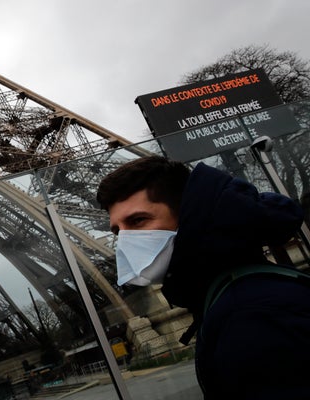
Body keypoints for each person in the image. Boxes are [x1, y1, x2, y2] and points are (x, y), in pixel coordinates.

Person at [96, 155, 310, 399]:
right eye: (117, 231)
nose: (126, 241)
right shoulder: (239, 292)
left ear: (187, 212)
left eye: (138, 220)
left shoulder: (250, 314)